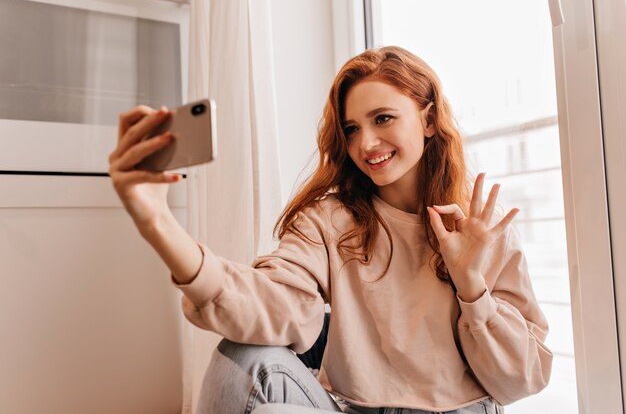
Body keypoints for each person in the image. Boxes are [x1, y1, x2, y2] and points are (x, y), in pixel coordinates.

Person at [108, 46, 552, 414]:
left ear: (429, 120)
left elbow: (520, 379)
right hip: (346, 407)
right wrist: (157, 222)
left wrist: (470, 285)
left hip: (460, 410)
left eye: (383, 119)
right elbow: (274, 303)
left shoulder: (480, 226)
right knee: (242, 355)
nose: (366, 144)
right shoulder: (329, 221)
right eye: (352, 129)